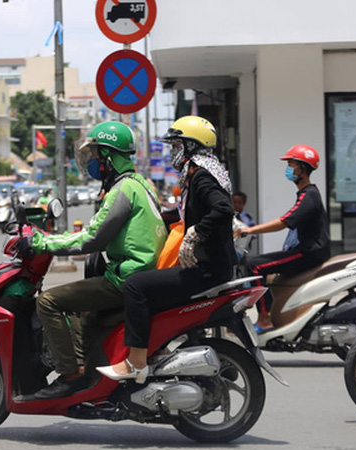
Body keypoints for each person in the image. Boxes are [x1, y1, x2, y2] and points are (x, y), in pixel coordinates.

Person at [16, 121, 167, 399]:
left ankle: (70, 376)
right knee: (74, 301)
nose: (93, 162)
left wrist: (40, 242)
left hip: (126, 278)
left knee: (48, 302)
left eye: (96, 155)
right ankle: (84, 365)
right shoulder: (142, 185)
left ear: (109, 156)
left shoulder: (123, 191)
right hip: (138, 273)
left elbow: (91, 238)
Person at [97, 116, 236, 381]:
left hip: (207, 269)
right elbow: (190, 213)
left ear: (191, 147)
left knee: (136, 285)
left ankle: (136, 362)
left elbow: (223, 209)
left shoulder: (202, 177)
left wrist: (197, 232)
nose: (174, 152)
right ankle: (157, 349)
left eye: (177, 146)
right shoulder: (202, 173)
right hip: (213, 265)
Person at [233, 144, 330, 331]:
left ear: (303, 168)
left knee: (256, 265)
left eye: (292, 165)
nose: (288, 169)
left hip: (310, 252)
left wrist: (250, 231)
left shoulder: (309, 196)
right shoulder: (306, 194)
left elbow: (284, 222)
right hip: (308, 250)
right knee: (266, 271)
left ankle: (263, 319)